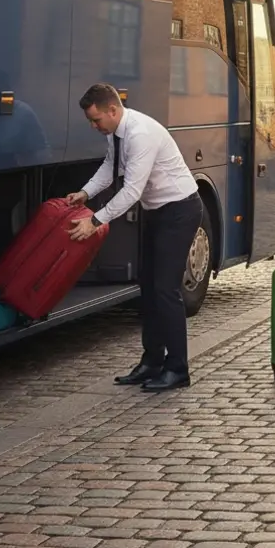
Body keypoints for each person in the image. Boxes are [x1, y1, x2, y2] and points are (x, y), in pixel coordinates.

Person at [67, 83, 203, 393]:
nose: (93, 126)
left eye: (96, 120)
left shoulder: (140, 134)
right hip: (158, 212)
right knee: (149, 286)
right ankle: (152, 362)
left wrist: (95, 221)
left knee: (166, 289)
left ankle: (178, 368)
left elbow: (131, 191)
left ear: (112, 110)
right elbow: (110, 167)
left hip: (180, 211)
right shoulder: (117, 132)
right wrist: (85, 193)